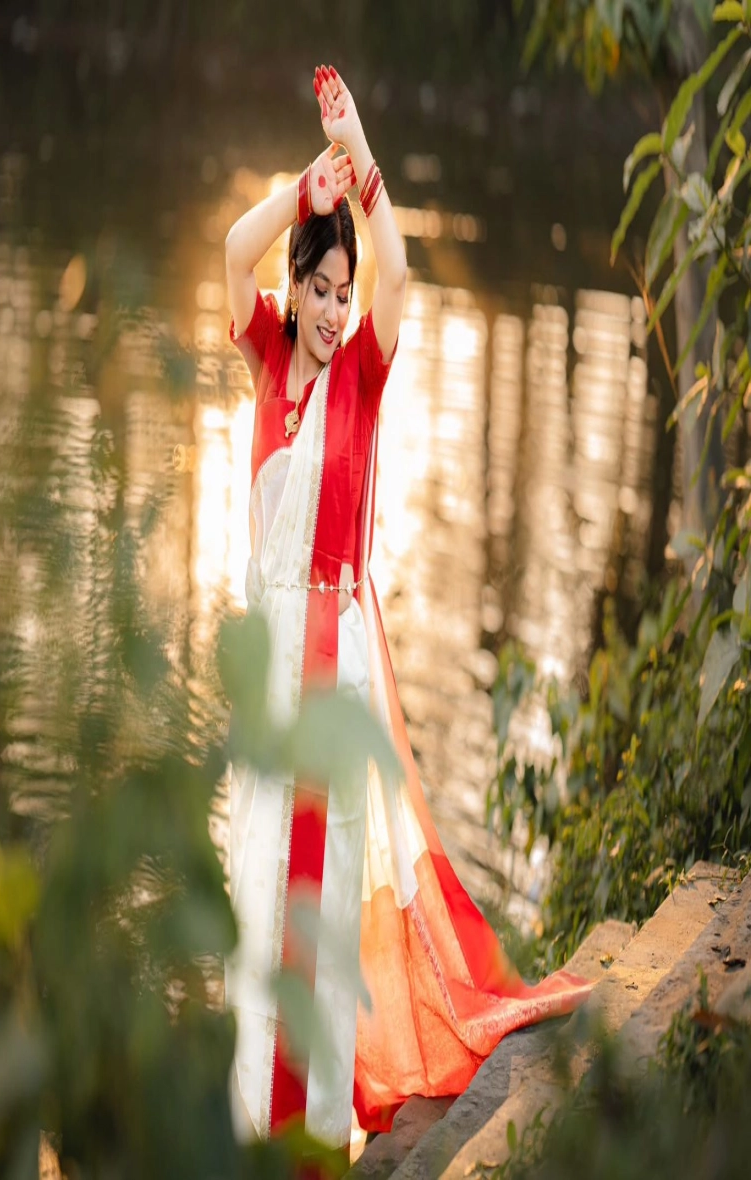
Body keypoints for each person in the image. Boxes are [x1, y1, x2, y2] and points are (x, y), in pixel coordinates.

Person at [224, 64, 592, 1165]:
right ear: (296, 293)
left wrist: (360, 147)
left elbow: (399, 266)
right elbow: (229, 251)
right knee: (256, 884)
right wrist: (304, 189)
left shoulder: (364, 374)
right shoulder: (263, 360)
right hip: (265, 669)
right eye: (321, 290)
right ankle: (255, 1115)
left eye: (344, 293)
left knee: (323, 894)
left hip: (328, 673)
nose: (336, 310)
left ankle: (319, 1120)